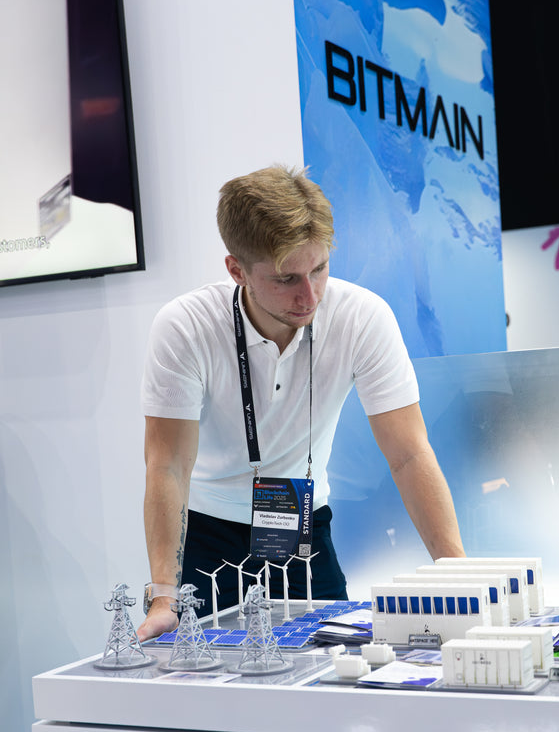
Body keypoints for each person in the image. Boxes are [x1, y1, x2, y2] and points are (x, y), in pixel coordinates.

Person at [138, 165, 464, 639]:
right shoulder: (186, 326)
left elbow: (409, 454)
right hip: (208, 534)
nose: (309, 296)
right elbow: (167, 465)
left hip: (303, 530)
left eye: (319, 269)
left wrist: (456, 573)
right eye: (286, 278)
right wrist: (164, 597)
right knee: (209, 672)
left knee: (334, 662)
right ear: (237, 270)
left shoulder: (363, 317)